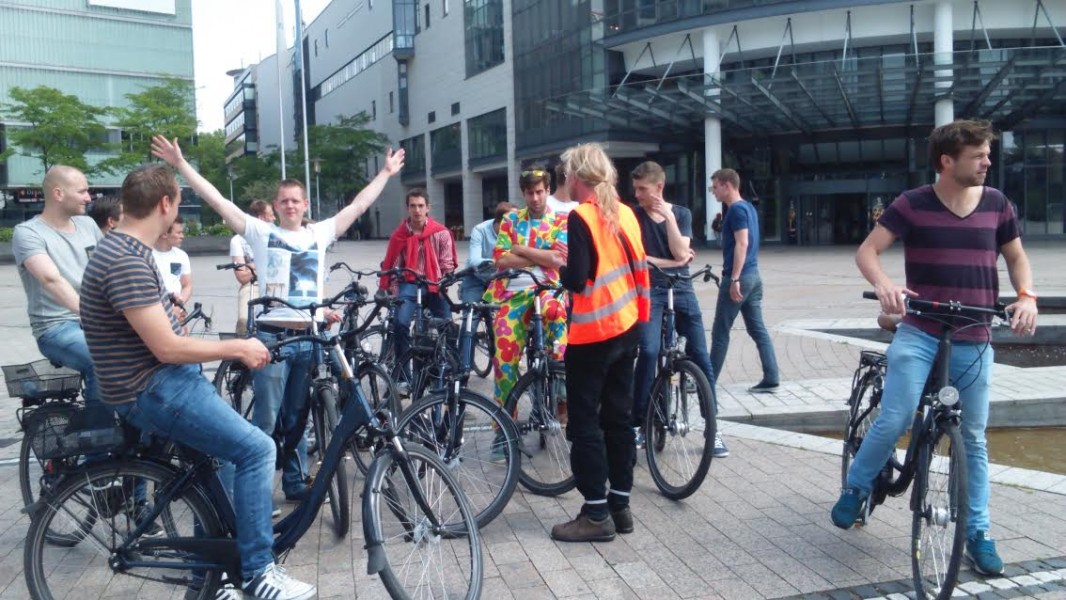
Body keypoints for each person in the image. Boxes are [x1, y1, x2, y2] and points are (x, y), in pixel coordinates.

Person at [79, 162, 313, 600]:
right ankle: (260, 571)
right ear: (165, 203)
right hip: (155, 387)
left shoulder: (123, 250)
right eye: (177, 204)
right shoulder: (125, 259)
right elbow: (167, 348)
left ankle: (219, 574)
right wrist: (237, 347)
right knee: (258, 448)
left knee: (223, 462)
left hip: (158, 382)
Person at [831, 120, 1039, 578]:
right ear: (947, 161)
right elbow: (868, 252)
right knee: (897, 415)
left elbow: (1017, 256)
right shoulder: (913, 203)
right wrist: (886, 287)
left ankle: (978, 533)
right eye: (978, 155)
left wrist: (1026, 296)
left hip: (975, 333)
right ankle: (857, 487)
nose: (988, 162)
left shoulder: (998, 203)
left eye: (988, 154)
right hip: (921, 330)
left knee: (973, 439)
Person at [152, 135, 404, 505]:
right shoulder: (259, 232)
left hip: (310, 338)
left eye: (295, 200)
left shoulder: (319, 233)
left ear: (305, 205)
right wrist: (182, 164)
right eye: (283, 200)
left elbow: (359, 204)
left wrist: (384, 173)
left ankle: (294, 482)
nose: (289, 205)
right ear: (275, 205)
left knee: (298, 417)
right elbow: (217, 200)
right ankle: (247, 496)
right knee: (266, 422)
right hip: (271, 338)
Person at [552, 142, 649, 543]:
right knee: (618, 418)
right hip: (629, 327)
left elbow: (577, 279)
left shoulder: (582, 216)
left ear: (577, 177)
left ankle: (594, 514)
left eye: (566, 176)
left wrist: (561, 262)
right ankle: (619, 506)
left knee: (584, 423)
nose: (565, 184)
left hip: (593, 333)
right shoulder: (625, 213)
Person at [630, 161, 727, 458]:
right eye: (635, 188)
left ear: (659, 188)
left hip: (682, 290)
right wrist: (674, 262)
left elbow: (681, 251)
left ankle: (714, 428)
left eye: (642, 189)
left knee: (700, 355)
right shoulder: (633, 217)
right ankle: (638, 423)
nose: (637, 194)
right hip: (650, 292)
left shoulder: (681, 213)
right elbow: (637, 259)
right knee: (647, 350)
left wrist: (668, 217)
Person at [12, 166, 103, 406]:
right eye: (82, 191)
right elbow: (51, 279)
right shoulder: (28, 233)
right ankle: (99, 435)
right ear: (58, 194)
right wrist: (92, 316)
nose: (89, 197)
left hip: (96, 321)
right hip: (57, 327)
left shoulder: (88, 225)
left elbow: (109, 271)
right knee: (103, 360)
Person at [489, 166, 568, 411]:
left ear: (548, 191)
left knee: (556, 315)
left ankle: (561, 394)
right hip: (512, 293)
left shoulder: (562, 220)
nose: (535, 198)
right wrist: (544, 255)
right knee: (502, 356)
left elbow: (559, 259)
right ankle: (504, 425)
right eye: (530, 193)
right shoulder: (510, 220)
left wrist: (520, 249)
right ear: (523, 194)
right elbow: (500, 260)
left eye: (540, 192)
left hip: (547, 288)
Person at [708, 168, 781, 394]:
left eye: (715, 187)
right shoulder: (748, 207)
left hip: (740, 277)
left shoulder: (737, 210)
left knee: (720, 331)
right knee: (757, 328)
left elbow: (743, 244)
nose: (713, 192)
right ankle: (771, 377)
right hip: (754, 276)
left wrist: (735, 279)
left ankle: (706, 383)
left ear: (727, 185)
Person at [379, 188, 457, 392]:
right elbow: (394, 266)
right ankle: (404, 375)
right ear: (407, 209)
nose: (417, 210)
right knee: (400, 322)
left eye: (421, 206)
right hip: (409, 283)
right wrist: (394, 292)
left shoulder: (441, 232)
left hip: (434, 283)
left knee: (447, 325)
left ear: (428, 208)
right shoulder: (400, 235)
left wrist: (443, 283)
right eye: (413, 206)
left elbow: (447, 264)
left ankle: (450, 371)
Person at [231, 200, 276, 335]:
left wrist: (252, 266)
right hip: (252, 285)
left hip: (275, 283)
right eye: (271, 215)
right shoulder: (237, 241)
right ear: (261, 217)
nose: (274, 218)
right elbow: (242, 277)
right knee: (244, 321)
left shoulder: (277, 236)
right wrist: (265, 264)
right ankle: (243, 351)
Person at [459, 201, 514, 304]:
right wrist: (499, 261)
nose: (516, 225)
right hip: (476, 276)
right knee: (471, 311)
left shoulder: (516, 233)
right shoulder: (480, 230)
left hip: (500, 277)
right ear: (501, 222)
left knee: (503, 312)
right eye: (513, 222)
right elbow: (474, 260)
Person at [152, 215, 192, 317]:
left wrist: (178, 306)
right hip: (154, 312)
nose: (182, 236)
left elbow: (187, 285)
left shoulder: (181, 256)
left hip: (177, 312)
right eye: (178, 233)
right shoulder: (147, 255)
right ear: (165, 234)